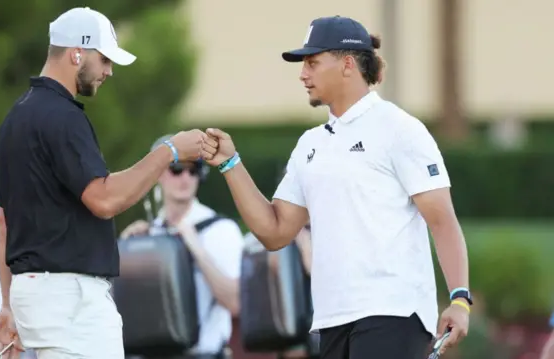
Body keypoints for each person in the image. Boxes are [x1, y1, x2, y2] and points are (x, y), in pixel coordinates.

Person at [198, 15, 471, 359]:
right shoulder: (310, 144)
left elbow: (442, 219)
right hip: (331, 321)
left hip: (393, 314)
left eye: (312, 62)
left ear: (346, 64)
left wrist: (460, 299)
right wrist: (230, 164)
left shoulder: (399, 129)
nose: (303, 74)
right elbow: (275, 231)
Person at [0, 6, 214, 359]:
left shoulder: (15, 117)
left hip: (35, 293)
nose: (109, 71)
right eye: (105, 59)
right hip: (70, 296)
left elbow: (4, 223)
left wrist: (7, 305)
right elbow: (104, 199)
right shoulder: (62, 116)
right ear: (77, 53)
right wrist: (170, 152)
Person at [120, 134, 245, 358]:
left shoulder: (221, 230)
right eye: (176, 169)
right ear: (158, 173)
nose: (185, 178)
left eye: (194, 170)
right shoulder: (149, 234)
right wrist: (128, 254)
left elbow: (235, 303)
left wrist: (196, 248)